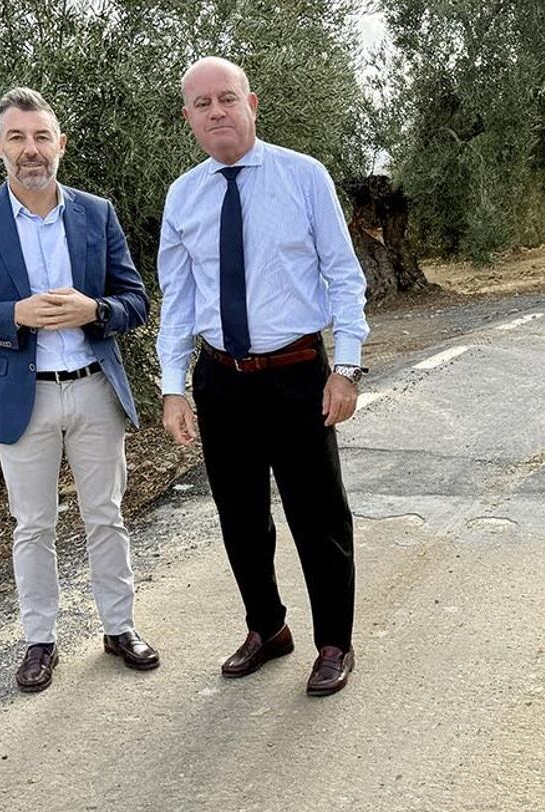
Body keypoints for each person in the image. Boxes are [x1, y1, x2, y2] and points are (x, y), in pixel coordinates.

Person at [156, 57, 369, 697]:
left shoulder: (304, 177)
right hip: (222, 380)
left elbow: (344, 275)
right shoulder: (183, 196)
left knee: (318, 514)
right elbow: (179, 300)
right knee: (241, 516)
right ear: (189, 117)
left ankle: (334, 642)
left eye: (227, 98)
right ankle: (267, 628)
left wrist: (349, 367)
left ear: (252, 103)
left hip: (298, 374)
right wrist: (173, 386)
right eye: (202, 104)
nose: (216, 111)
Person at [0, 86, 160, 693]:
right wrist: (15, 315)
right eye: (17, 138)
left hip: (93, 390)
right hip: (22, 394)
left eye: (40, 137)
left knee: (106, 515)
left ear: (59, 144)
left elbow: (135, 300)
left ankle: (120, 627)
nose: (30, 150)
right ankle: (40, 641)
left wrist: (97, 310)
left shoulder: (97, 212)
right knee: (32, 524)